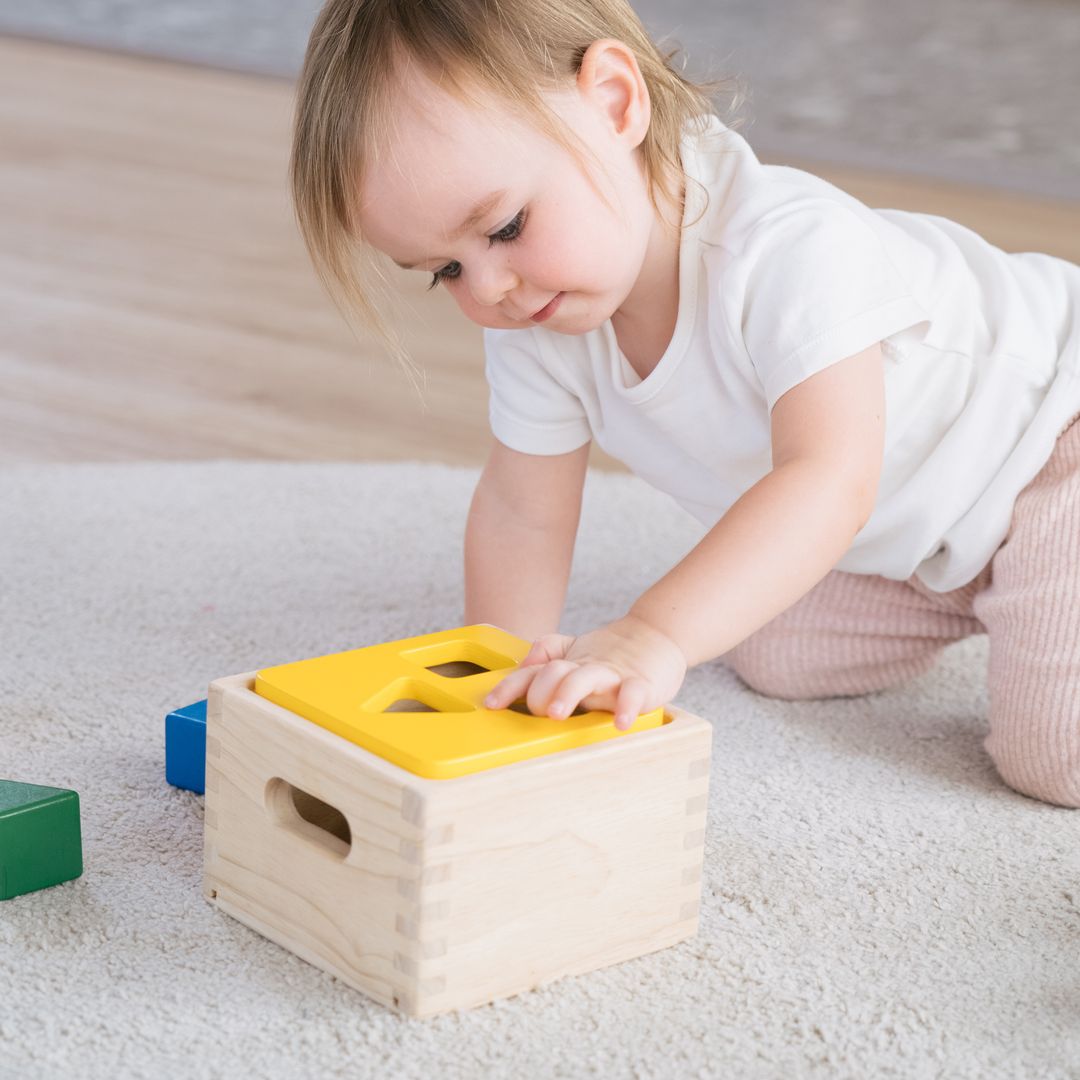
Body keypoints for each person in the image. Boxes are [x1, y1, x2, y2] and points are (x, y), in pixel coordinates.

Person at [289, 0, 1080, 806]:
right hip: (932, 531)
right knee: (775, 649)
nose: (488, 289)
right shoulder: (539, 318)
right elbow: (522, 510)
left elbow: (829, 479)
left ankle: (1036, 588)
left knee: (1055, 756)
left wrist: (651, 634)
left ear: (614, 103)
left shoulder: (788, 249)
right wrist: (494, 680)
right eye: (445, 272)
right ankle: (1006, 593)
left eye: (505, 227)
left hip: (1059, 444)